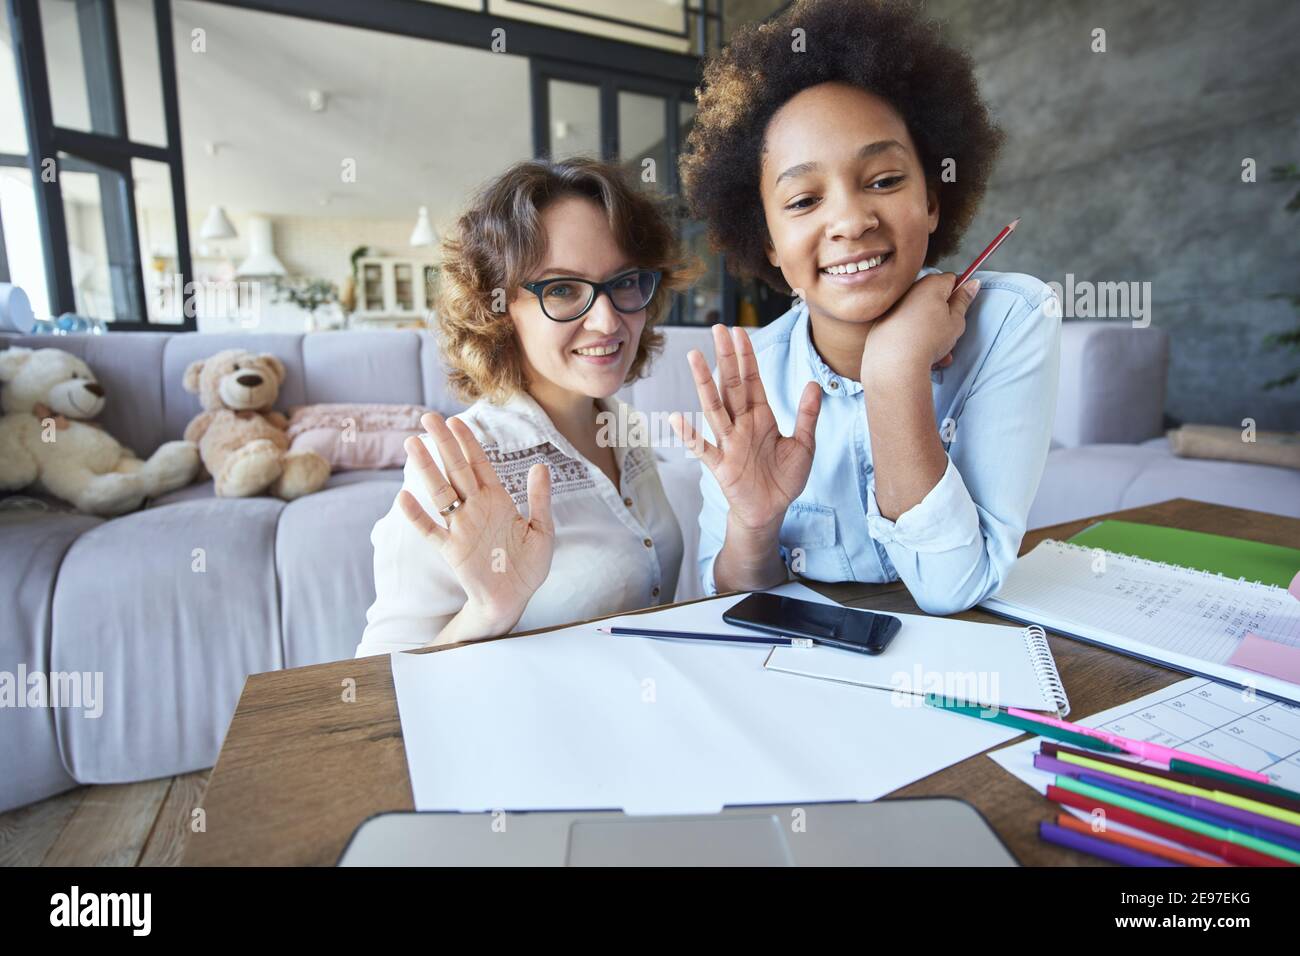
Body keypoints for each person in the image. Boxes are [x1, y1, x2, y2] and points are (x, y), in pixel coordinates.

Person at [671, 0, 1061, 615]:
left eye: (883, 180)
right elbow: (732, 599)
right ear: (767, 239)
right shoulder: (753, 373)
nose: (851, 221)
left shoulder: (1012, 320)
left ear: (933, 199)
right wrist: (754, 522)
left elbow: (953, 588)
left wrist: (895, 371)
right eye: (803, 200)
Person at [355, 158, 693, 656]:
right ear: (497, 308)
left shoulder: (623, 427)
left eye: (623, 281)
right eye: (561, 289)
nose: (607, 321)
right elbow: (379, 677)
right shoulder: (459, 469)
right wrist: (488, 613)